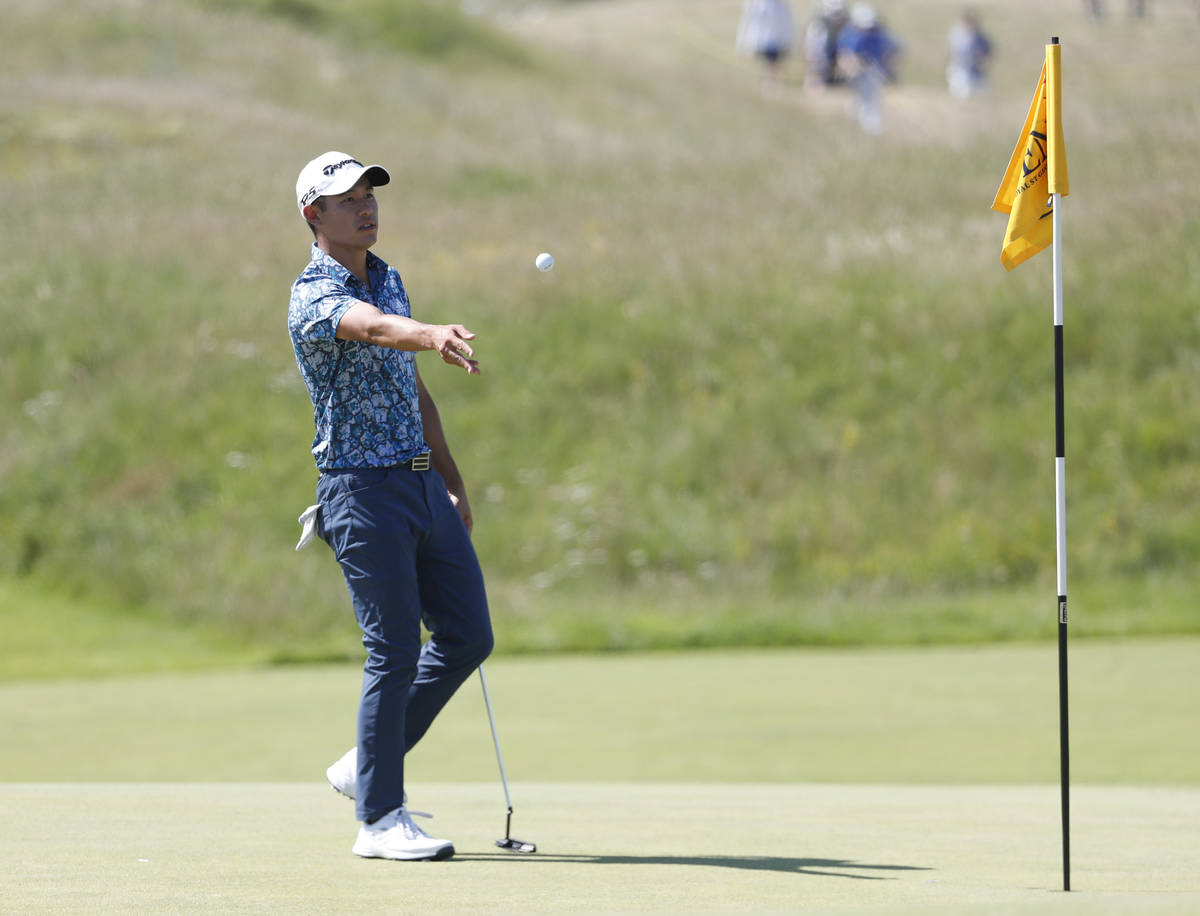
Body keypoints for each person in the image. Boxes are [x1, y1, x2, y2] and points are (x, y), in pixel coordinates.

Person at [288, 151, 494, 862]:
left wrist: (452, 477)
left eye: (370, 194)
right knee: (395, 650)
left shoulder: (390, 276)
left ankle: (361, 766)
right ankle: (377, 820)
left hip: (418, 486)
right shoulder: (312, 294)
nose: (366, 207)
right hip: (360, 491)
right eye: (348, 200)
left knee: (468, 634)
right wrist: (432, 332)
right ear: (315, 216)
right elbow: (375, 330)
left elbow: (409, 387)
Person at [836, 3, 900, 134]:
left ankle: (872, 130)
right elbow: (844, 57)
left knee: (870, 102)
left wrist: (885, 68)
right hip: (854, 76)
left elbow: (892, 51)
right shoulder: (848, 34)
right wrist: (853, 67)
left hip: (872, 73)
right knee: (856, 104)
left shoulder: (879, 34)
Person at [736, 0, 795, 89]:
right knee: (768, 58)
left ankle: (772, 80)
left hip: (776, 33)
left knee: (773, 57)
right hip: (765, 32)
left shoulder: (780, 5)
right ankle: (769, 79)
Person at [945, 8, 992, 100]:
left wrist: (982, 62)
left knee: (983, 96)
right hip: (959, 72)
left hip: (977, 72)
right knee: (962, 97)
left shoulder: (981, 37)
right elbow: (949, 51)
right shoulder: (956, 35)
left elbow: (989, 52)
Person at [803, 0, 848, 91]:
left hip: (833, 54)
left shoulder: (845, 26)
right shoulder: (817, 27)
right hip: (820, 56)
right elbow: (813, 51)